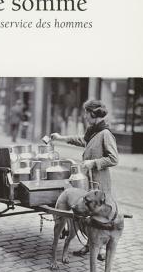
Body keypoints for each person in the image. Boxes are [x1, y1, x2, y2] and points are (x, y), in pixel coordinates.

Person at [51, 99, 119, 261]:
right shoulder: (94, 130)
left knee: (100, 214)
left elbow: (114, 158)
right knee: (89, 214)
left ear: (93, 113)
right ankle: (90, 245)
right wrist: (61, 138)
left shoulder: (105, 134)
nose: (85, 116)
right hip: (90, 181)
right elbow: (83, 140)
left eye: (86, 113)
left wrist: (93, 162)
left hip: (100, 182)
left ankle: (100, 249)